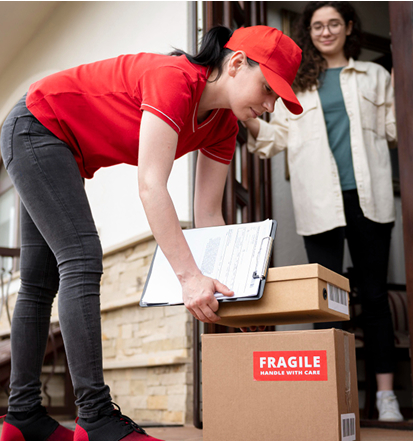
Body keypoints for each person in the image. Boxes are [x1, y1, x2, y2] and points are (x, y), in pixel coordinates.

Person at [0, 25, 302, 441]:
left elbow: (208, 215)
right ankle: (95, 417)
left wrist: (235, 296)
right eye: (268, 89)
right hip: (36, 124)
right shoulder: (174, 80)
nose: (269, 106)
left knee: (39, 279)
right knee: (81, 258)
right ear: (236, 63)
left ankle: (22, 418)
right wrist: (189, 278)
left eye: (277, 99)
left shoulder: (224, 127)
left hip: (59, 146)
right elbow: (151, 186)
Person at [245, 2, 402, 422]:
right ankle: (333, 397)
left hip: (370, 199)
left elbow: (395, 131)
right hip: (319, 201)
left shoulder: (375, 76)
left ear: (349, 27)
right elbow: (274, 139)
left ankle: (386, 396)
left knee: (374, 298)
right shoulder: (296, 83)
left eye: (334, 23)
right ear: (308, 33)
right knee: (328, 301)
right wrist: (240, 111)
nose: (326, 31)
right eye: (317, 26)